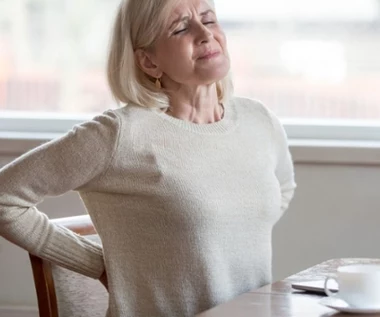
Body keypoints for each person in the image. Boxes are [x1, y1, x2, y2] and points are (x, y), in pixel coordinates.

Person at [0, 0, 296, 316]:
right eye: (181, 27)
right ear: (149, 61)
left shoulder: (259, 120)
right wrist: (99, 263)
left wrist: (227, 228)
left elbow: (283, 188)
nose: (204, 34)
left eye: (208, 19)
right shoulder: (120, 135)